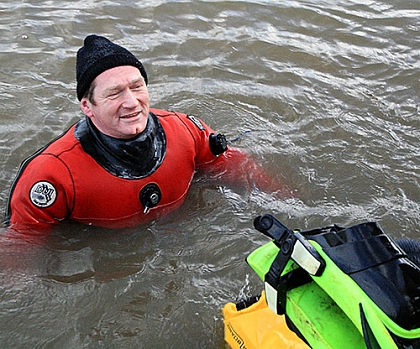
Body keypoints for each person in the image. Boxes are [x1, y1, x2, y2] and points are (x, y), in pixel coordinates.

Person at [5, 34, 287, 234]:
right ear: (87, 106)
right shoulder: (52, 174)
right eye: (114, 93)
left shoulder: (186, 131)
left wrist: (293, 205)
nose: (131, 102)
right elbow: (22, 248)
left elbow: (242, 170)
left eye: (137, 87)